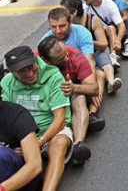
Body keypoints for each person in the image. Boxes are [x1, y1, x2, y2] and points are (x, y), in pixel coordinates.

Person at [1, 46, 73, 191]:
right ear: (12, 72)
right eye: (22, 71)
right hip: (21, 135)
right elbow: (5, 115)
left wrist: (40, 141)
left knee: (58, 145)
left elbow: (60, 119)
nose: (29, 73)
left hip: (51, 130)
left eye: (30, 66)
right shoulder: (6, 83)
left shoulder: (53, 76)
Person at [37, 36, 100, 166]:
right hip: (46, 99)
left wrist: (74, 88)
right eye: (60, 59)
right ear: (45, 60)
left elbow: (94, 88)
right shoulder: (34, 61)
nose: (66, 59)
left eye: (66, 54)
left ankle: (78, 145)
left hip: (70, 96)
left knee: (80, 97)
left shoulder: (75, 55)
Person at [82, 0, 127, 69]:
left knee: (111, 28)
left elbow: (121, 25)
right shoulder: (85, 7)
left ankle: (113, 56)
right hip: (94, 34)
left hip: (107, 34)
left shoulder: (110, 5)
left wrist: (118, 39)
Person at [0, 100, 42, 191]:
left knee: (2, 155)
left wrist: (2, 188)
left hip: (21, 179)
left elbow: (35, 165)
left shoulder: (16, 114)